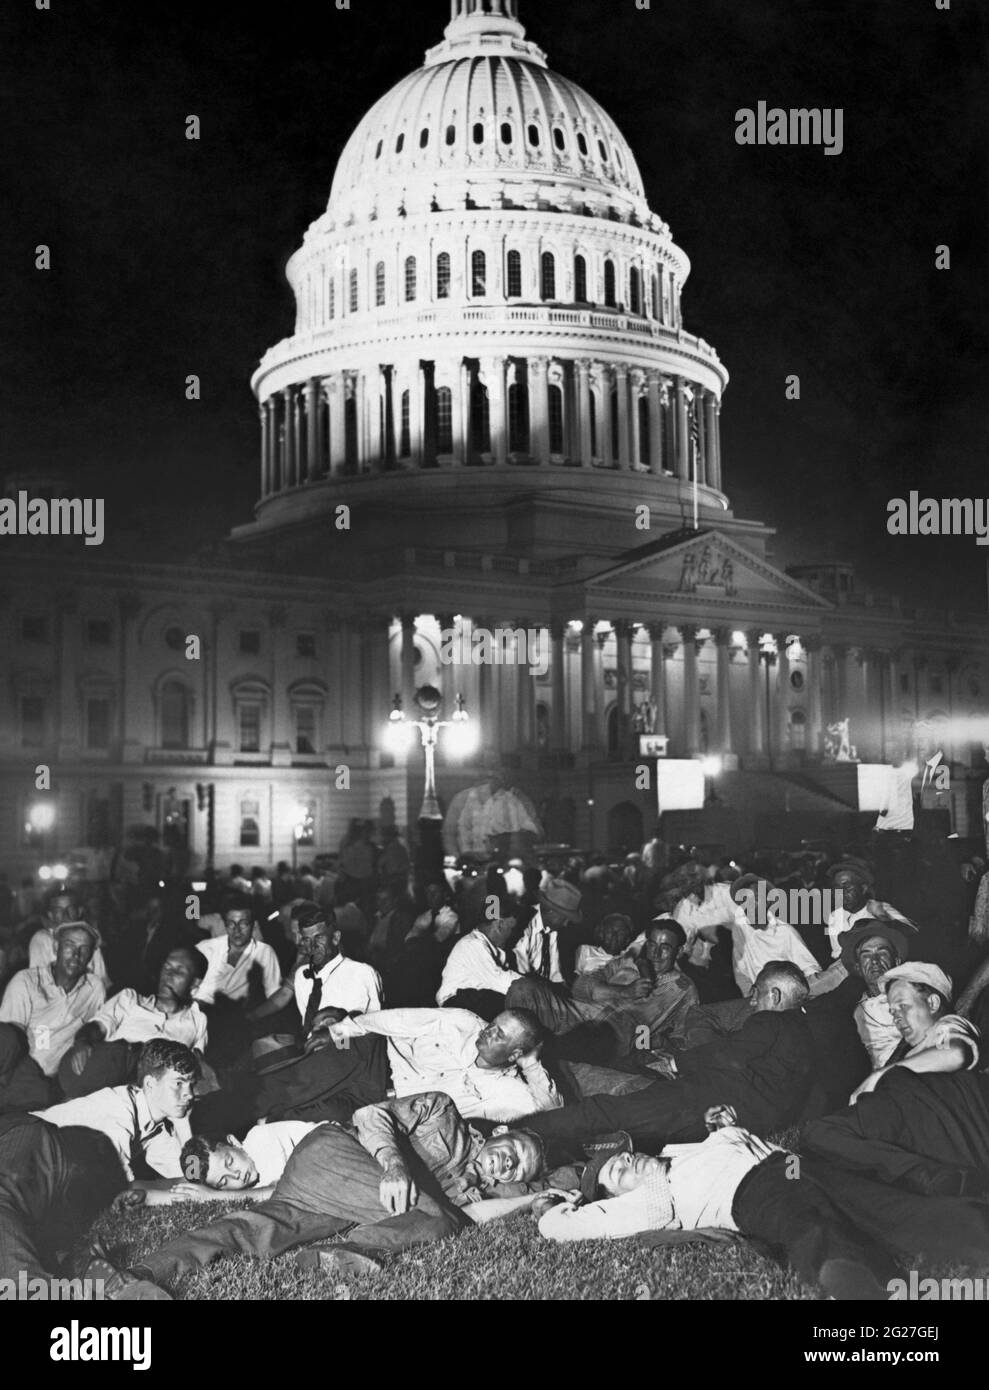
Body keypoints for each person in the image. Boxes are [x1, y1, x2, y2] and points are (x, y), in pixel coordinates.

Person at [92, 1091, 558, 1294]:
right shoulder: (444, 1113)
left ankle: (138, 1277)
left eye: (516, 1168)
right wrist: (394, 1164)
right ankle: (347, 1253)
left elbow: (477, 1215)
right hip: (334, 1152)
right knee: (438, 1218)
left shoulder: (475, 1187)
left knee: (246, 1230)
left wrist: (525, 1200)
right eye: (511, 1148)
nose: (506, 1162)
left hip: (325, 1197)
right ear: (499, 1131)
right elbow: (373, 1115)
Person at [538, 1108, 989, 1300]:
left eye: (622, 1155)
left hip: (796, 1166)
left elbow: (741, 1142)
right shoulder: (647, 1199)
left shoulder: (678, 1152)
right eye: (619, 1172)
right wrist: (562, 1201)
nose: (628, 1160)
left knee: (895, 1210)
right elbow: (556, 1228)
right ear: (616, 1197)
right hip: (753, 1194)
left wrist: (722, 1128)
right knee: (813, 1232)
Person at [515, 961, 815, 1158]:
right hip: (739, 1122)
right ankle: (582, 1149)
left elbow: (731, 1055)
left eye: (758, 993)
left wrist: (677, 1063)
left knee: (608, 1109)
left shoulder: (772, 1021)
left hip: (704, 1097)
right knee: (647, 1135)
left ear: (775, 996)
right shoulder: (808, 1036)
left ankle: (521, 1130)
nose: (752, 1001)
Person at [328, 1006, 561, 1123]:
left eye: (498, 1034)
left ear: (514, 1054)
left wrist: (531, 1064)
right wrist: (340, 1031)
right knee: (306, 1076)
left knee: (321, 1115)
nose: (487, 1031)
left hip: (388, 1110)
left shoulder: (507, 1092)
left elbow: (554, 1114)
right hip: (375, 1061)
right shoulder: (465, 1022)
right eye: (492, 1024)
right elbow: (400, 1019)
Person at [32, 1039, 198, 1182]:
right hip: (22, 1140)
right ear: (150, 1084)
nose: (190, 1094)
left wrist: (183, 1125)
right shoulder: (119, 1110)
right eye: (178, 1083)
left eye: (191, 1085)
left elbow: (192, 1176)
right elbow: (121, 1189)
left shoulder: (155, 1127)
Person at [57, 946, 210, 1100]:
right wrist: (83, 1041)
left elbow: (198, 1063)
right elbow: (98, 1025)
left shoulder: (197, 1020)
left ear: (194, 982)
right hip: (112, 1069)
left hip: (151, 1089)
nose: (168, 975)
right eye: (166, 967)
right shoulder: (130, 999)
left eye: (179, 971)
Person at [0, 922, 106, 1101]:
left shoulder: (94, 988)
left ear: (91, 956)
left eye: (84, 949)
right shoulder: (26, 982)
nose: (76, 955)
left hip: (55, 1082)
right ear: (56, 947)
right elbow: (8, 1043)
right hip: (18, 1072)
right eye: (69, 945)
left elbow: (98, 1026)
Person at [848, 963, 979, 1104]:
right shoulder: (913, 1050)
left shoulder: (946, 1024)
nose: (896, 1017)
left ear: (933, 1003)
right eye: (893, 1011)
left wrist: (880, 1076)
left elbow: (954, 1054)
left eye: (903, 1006)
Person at [292, 907, 383, 1038]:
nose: (312, 946)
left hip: (348, 1051)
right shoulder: (302, 975)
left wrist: (333, 1034)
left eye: (319, 937)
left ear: (335, 938)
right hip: (313, 1053)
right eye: (307, 939)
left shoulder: (361, 973)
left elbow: (374, 1028)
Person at [727, 875, 821, 995]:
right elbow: (740, 972)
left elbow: (811, 971)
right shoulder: (740, 932)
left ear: (768, 902)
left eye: (756, 898)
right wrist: (752, 997)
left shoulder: (784, 932)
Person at [194, 896, 282, 1010]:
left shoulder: (264, 952)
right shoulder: (205, 948)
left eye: (243, 923)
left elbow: (273, 993)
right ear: (225, 925)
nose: (237, 930)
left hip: (234, 1017)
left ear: (253, 925)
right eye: (231, 924)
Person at [436, 902, 522, 1016]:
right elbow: (504, 983)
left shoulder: (489, 947)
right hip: (456, 1004)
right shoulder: (472, 944)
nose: (514, 935)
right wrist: (539, 987)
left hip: (471, 1002)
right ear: (500, 925)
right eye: (512, 929)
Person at [27, 891, 111, 989]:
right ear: (51, 915)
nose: (65, 915)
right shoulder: (42, 939)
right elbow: (38, 982)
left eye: (70, 909)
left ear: (79, 911)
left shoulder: (90, 938)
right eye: (58, 910)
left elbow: (103, 981)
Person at [514, 878, 582, 984]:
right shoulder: (522, 928)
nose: (566, 924)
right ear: (550, 911)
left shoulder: (552, 930)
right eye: (564, 918)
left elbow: (554, 974)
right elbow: (522, 979)